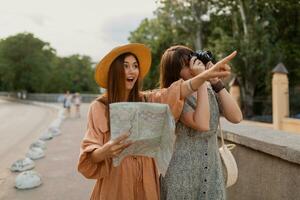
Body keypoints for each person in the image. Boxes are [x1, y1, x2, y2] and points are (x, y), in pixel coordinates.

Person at [77, 43, 236, 200]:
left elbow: (177, 91)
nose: (132, 71)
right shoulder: (99, 107)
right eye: (125, 66)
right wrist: (106, 150)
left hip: (148, 182)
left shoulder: (148, 99)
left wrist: (205, 76)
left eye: (135, 66)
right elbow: (90, 153)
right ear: (115, 72)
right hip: (117, 182)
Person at [159, 45, 243, 200]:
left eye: (192, 61)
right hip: (182, 174)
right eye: (185, 66)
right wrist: (203, 79)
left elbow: (236, 117)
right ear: (174, 73)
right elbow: (202, 124)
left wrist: (216, 81)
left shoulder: (210, 89)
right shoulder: (175, 97)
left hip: (212, 170)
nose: (192, 68)